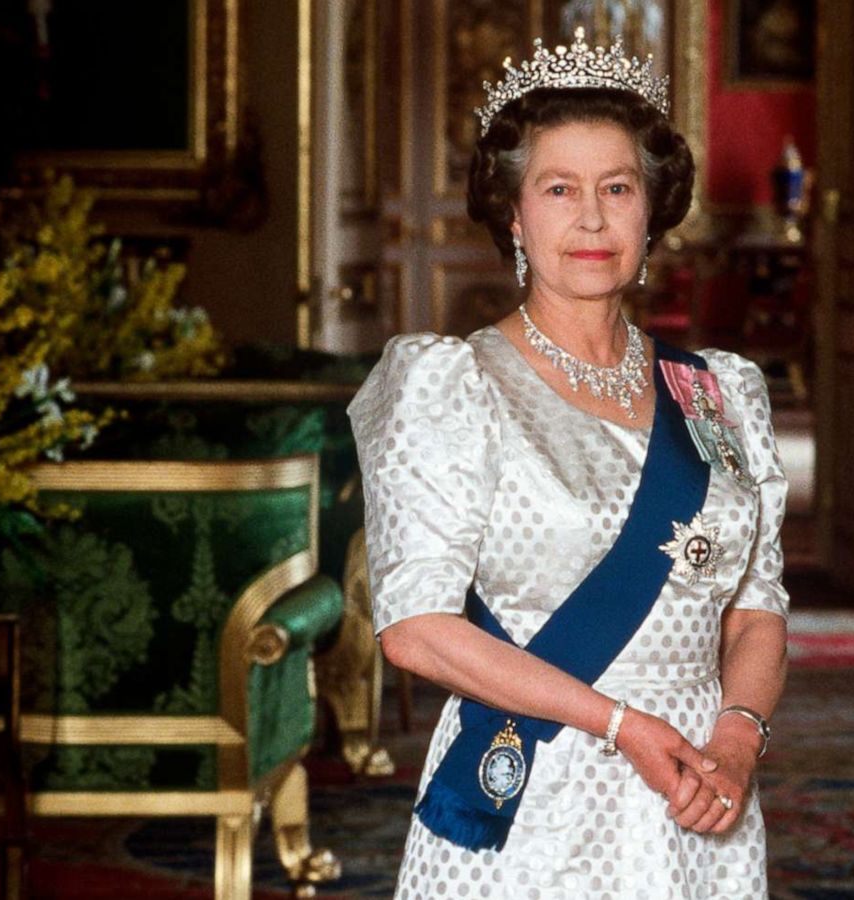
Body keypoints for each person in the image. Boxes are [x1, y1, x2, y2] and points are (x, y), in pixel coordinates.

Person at [348, 28, 789, 898]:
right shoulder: (452, 388)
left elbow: (755, 606)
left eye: (616, 188)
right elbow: (414, 629)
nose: (591, 217)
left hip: (701, 790)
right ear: (514, 214)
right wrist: (619, 723)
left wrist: (737, 738)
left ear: (651, 210)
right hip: (537, 793)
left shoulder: (720, 393)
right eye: (559, 189)